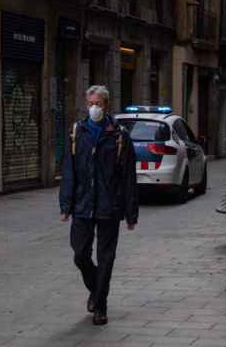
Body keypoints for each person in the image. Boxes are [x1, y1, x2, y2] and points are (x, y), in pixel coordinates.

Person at [59, 85, 138, 326]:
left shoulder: (119, 135)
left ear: (106, 105)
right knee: (80, 254)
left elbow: (128, 176)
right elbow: (69, 171)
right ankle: (96, 289)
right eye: (91, 103)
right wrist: (66, 205)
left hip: (109, 206)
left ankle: (100, 307)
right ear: (86, 104)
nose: (94, 108)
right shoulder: (77, 131)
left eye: (99, 104)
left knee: (106, 257)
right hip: (83, 205)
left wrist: (130, 212)